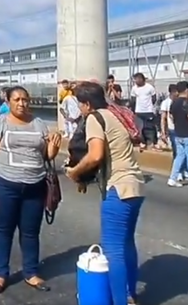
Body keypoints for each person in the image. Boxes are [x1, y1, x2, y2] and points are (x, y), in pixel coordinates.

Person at [65, 82, 146, 305]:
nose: (80, 109)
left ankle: (121, 301)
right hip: (135, 185)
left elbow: (95, 156)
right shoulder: (115, 114)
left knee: (113, 250)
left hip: (118, 187)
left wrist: (74, 172)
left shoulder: (94, 118)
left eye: (80, 104)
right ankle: (129, 295)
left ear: (86, 104)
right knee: (126, 243)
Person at [0, 86, 59, 294]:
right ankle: (0, 274)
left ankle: (31, 273)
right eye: (16, 100)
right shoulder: (1, 123)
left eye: (25, 99)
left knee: (31, 232)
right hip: (5, 184)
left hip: (35, 185)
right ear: (8, 102)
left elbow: (45, 155)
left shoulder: (38, 124)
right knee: (3, 231)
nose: (21, 103)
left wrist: (53, 148)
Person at [129, 73, 157, 149]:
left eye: (137, 79)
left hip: (148, 111)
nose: (135, 81)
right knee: (139, 128)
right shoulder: (134, 88)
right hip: (138, 112)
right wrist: (133, 109)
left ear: (141, 79)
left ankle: (150, 142)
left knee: (149, 127)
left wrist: (149, 106)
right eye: (135, 79)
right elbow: (133, 100)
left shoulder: (150, 87)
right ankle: (142, 142)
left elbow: (154, 98)